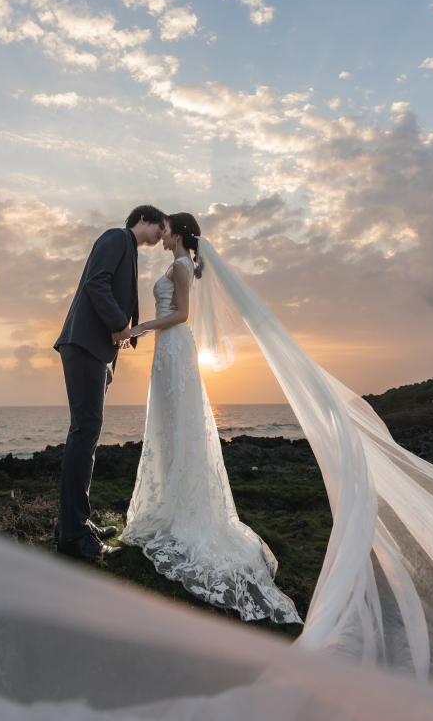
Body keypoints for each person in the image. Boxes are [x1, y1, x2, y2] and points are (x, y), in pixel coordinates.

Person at [120, 212, 301, 623]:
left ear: (179, 233)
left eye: (167, 228)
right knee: (171, 429)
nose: (161, 233)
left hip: (174, 346)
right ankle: (171, 500)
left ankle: (185, 512)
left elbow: (182, 314)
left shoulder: (183, 266)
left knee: (179, 428)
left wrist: (140, 327)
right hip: (167, 352)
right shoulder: (179, 263)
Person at [55, 204, 166, 561]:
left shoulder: (129, 250)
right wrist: (120, 325)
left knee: (85, 435)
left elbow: (109, 289)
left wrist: (126, 334)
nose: (163, 234)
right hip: (86, 346)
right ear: (144, 219)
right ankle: (73, 537)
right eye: (160, 227)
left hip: (97, 351)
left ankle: (74, 524)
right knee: (84, 433)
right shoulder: (117, 237)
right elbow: (96, 282)